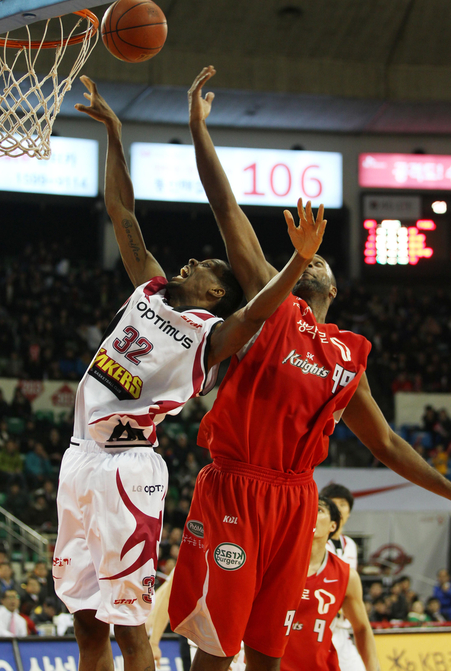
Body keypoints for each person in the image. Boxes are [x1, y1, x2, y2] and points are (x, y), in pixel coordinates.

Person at [169, 65, 451, 671]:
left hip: (297, 500)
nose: (313, 258)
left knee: (271, 653)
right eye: (304, 256)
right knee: (217, 648)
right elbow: (226, 208)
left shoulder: (350, 354)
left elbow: (389, 445)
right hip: (237, 486)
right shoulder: (273, 307)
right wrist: (198, 126)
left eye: (320, 256)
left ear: (336, 288)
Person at [53, 75, 327, 671]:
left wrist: (298, 262)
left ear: (215, 291)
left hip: (128, 473)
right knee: (86, 626)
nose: (191, 260)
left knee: (131, 632)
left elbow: (260, 310)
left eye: (204, 264)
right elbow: (122, 210)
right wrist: (116, 134)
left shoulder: (210, 337)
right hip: (79, 458)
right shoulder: (149, 288)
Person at [280, 498, 379, 671]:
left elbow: (362, 628)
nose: (310, 513)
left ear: (333, 526)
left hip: (320, 665)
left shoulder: (347, 576)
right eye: (307, 509)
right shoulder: (274, 563)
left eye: (318, 510)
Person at [320, 484, 365, 671]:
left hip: (343, 627)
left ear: (350, 511)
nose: (339, 508)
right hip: (321, 624)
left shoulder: (351, 545)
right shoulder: (316, 542)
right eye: (334, 504)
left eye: (343, 504)